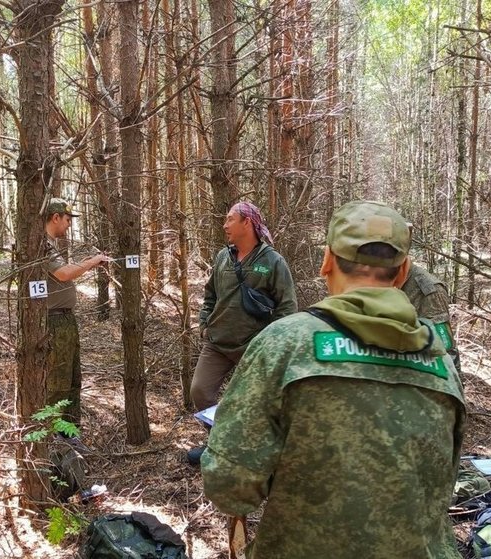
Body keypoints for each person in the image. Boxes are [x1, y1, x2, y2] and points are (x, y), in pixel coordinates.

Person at [201, 200, 466, 558]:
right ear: (402, 272)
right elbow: (440, 484)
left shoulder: (285, 345)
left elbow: (229, 487)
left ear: (327, 261)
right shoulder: (442, 366)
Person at [188, 202, 297, 464]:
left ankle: (253, 450)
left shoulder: (273, 261)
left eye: (230, 219)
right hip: (216, 343)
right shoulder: (222, 257)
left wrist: (269, 344)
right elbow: (210, 294)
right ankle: (221, 441)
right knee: (200, 391)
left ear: (247, 222)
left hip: (252, 347)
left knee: (253, 402)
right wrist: (204, 324)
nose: (225, 225)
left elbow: (287, 308)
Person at [43, 198, 110, 423]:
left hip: (65, 320)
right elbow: (63, 274)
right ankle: (52, 435)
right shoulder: (42, 244)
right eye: (67, 219)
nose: (69, 224)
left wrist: (90, 262)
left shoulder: (51, 244)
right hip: (53, 322)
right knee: (58, 381)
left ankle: (69, 432)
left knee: (72, 379)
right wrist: (92, 262)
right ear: (55, 218)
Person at [400, 263, 461, 373]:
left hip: (419, 374)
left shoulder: (429, 290)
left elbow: (444, 347)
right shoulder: (374, 276)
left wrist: (454, 386)